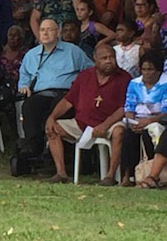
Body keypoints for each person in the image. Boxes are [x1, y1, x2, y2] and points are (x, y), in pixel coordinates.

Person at [44, 44, 130, 184]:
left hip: (110, 124)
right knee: (53, 128)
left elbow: (124, 108)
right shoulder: (84, 76)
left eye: (111, 58)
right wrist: (52, 117)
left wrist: (105, 125)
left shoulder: (124, 78)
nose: (109, 61)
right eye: (104, 58)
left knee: (119, 132)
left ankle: (110, 176)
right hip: (82, 123)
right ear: (95, 59)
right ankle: (61, 173)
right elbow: (68, 101)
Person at [17, 19, 93, 159]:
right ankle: (33, 146)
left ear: (58, 32)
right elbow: (24, 75)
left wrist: (80, 88)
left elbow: (90, 72)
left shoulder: (73, 51)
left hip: (66, 94)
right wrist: (23, 85)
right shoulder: (32, 55)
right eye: (42, 30)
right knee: (29, 105)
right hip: (41, 93)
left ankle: (51, 145)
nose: (45, 32)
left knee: (58, 105)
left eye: (49, 29)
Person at [120, 51, 167, 186]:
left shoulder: (165, 84)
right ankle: (128, 176)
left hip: (158, 120)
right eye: (144, 69)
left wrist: (148, 121)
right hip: (137, 119)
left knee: (149, 134)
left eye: (151, 69)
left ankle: (152, 174)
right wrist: (132, 121)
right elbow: (129, 107)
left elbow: (165, 111)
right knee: (128, 135)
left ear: (158, 70)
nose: (147, 73)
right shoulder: (134, 83)